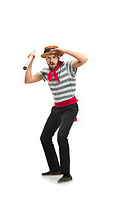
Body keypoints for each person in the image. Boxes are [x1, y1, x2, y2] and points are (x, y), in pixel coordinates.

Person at [24, 46, 88, 183]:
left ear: (59, 57)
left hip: (70, 108)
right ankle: (55, 169)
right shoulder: (46, 72)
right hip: (57, 109)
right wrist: (30, 62)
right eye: (48, 57)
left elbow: (84, 59)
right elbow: (28, 80)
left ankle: (66, 174)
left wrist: (67, 51)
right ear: (45, 59)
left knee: (61, 137)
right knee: (45, 137)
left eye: (53, 56)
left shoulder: (68, 66)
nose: (51, 59)